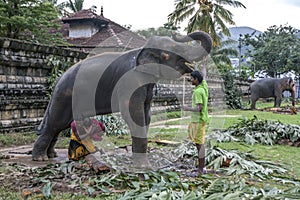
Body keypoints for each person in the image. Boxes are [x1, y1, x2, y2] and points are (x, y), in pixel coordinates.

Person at [183, 63, 209, 175]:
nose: (190, 80)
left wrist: (186, 108)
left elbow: (199, 108)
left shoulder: (198, 91)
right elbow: (204, 76)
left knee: (199, 145)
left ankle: (201, 169)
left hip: (198, 120)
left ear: (196, 80)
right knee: (199, 143)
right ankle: (201, 166)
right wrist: (204, 64)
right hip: (201, 120)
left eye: (192, 79)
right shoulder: (204, 86)